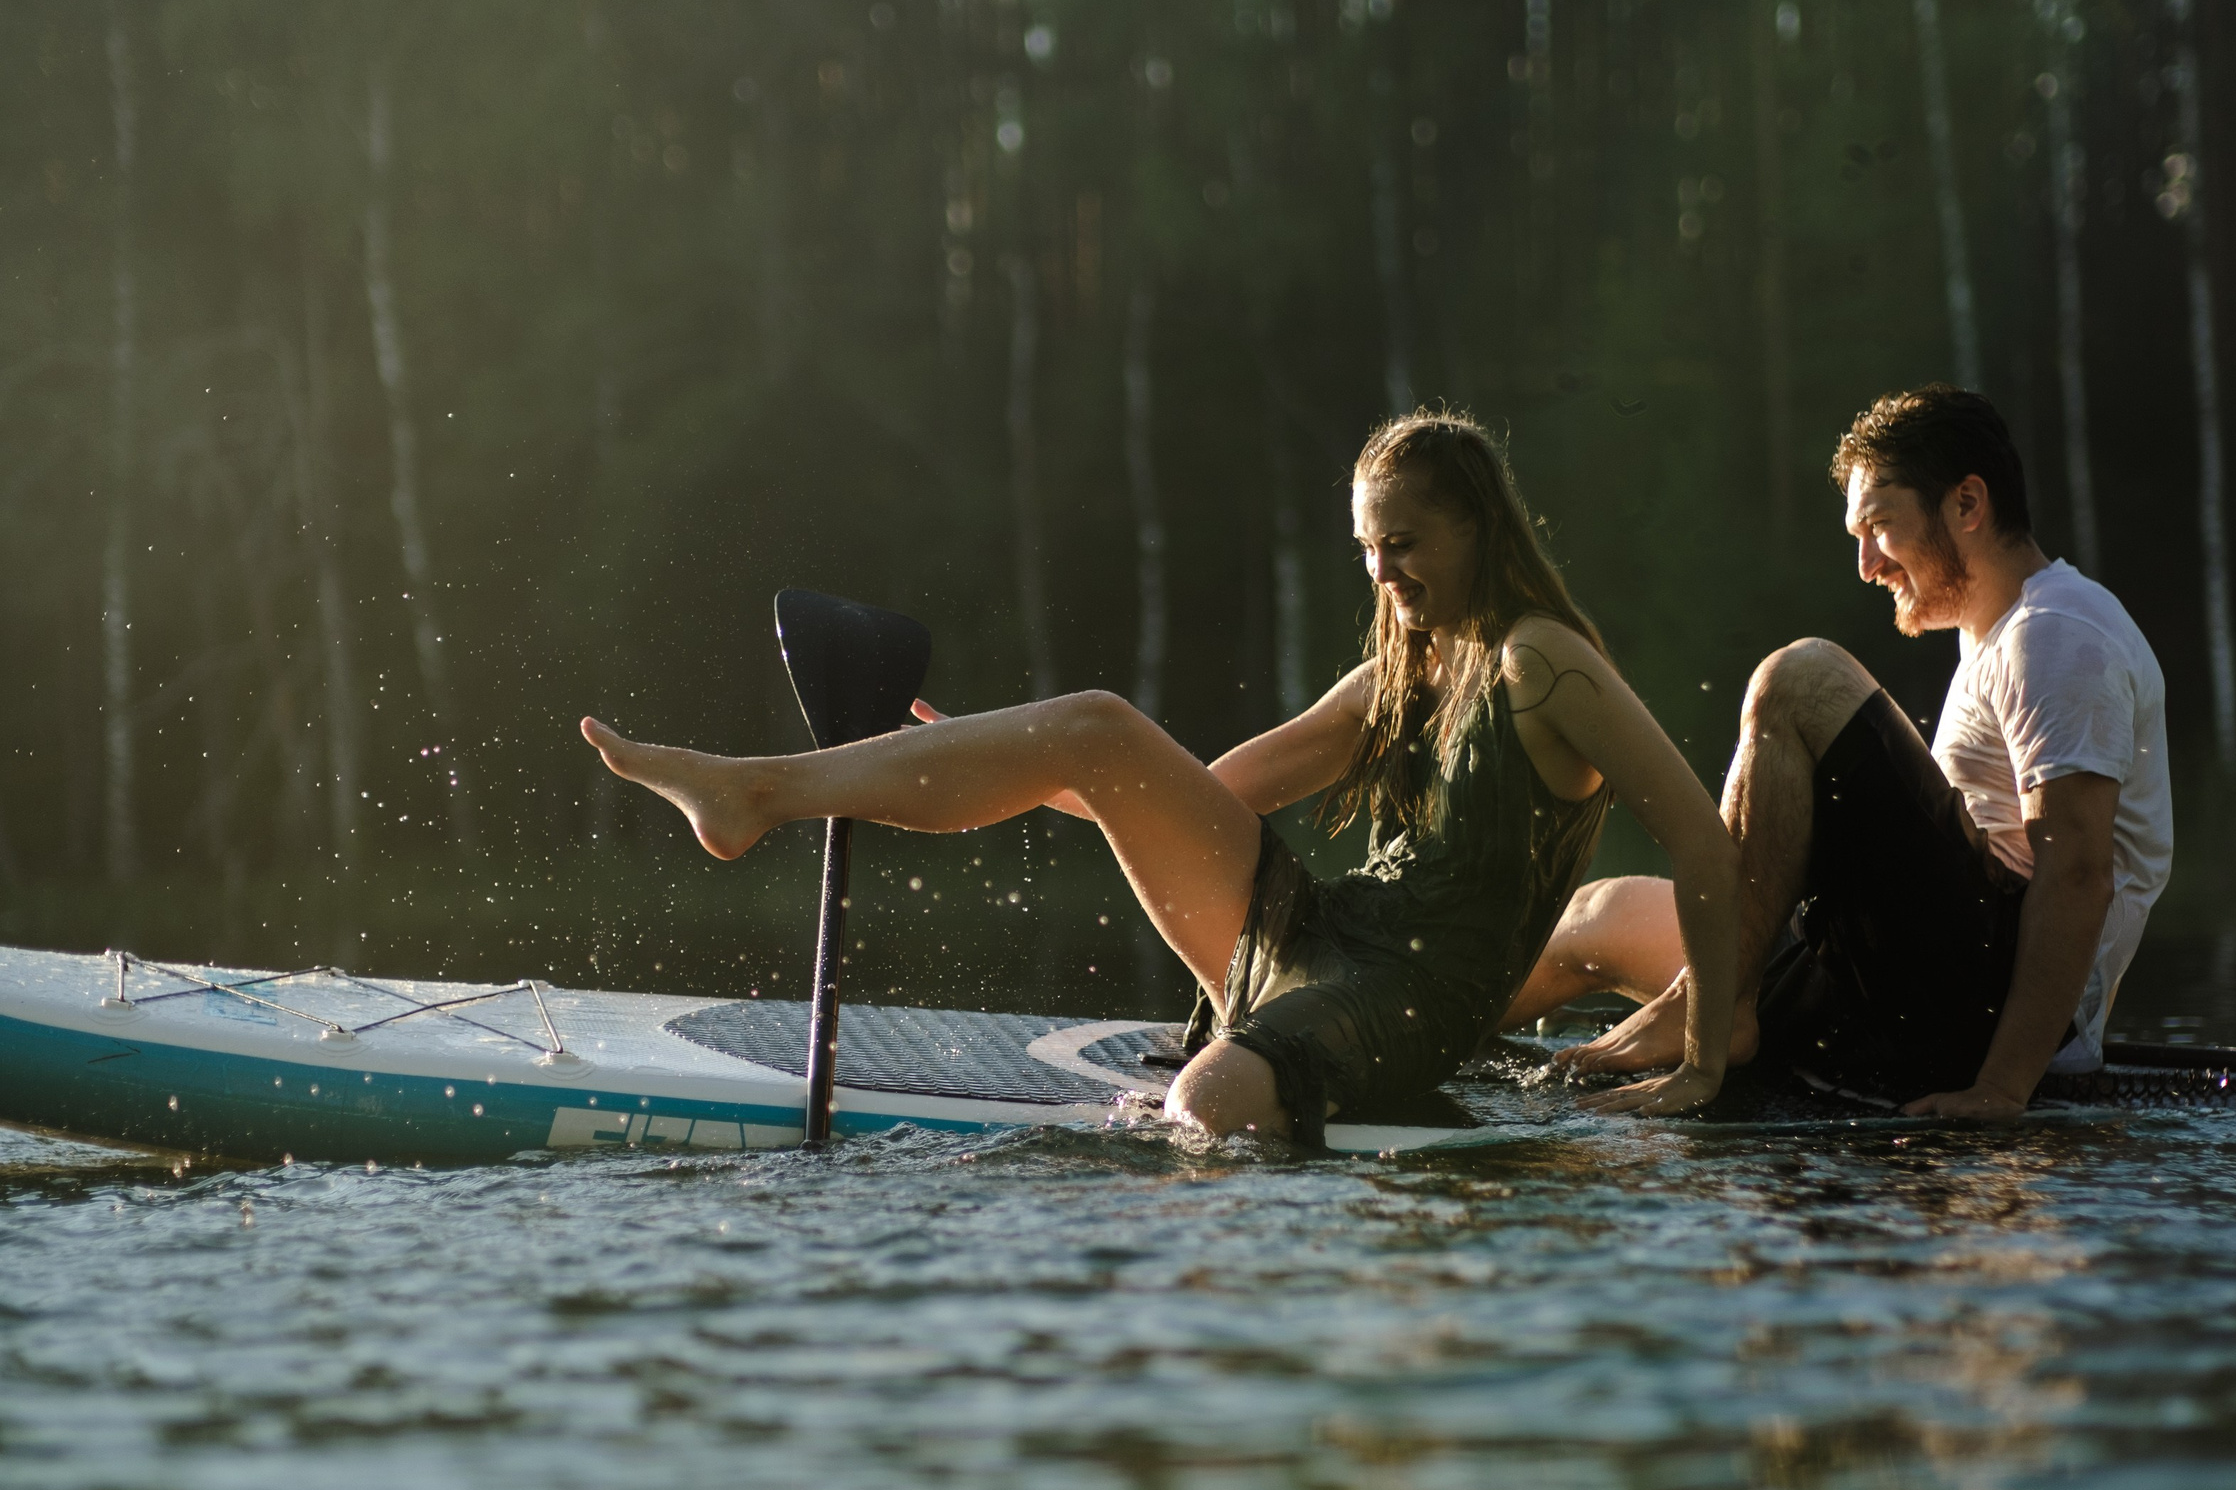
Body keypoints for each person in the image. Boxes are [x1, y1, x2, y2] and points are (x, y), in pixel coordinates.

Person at [581, 409, 1739, 1145]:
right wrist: (1012, 758)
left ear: (1479, 528)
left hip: (1409, 1002)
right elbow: (1211, 791)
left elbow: (1703, 844)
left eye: (1407, 545)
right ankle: (756, 789)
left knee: (1210, 1104)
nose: (1385, 574)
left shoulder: (1548, 664)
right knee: (1093, 725)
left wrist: (1700, 1057)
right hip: (1319, 935)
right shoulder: (1408, 664)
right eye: (1367, 551)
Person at [1514, 385, 2171, 1117]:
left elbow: (2078, 874)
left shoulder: (2060, 633)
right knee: (1599, 916)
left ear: (1967, 505)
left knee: (1799, 679)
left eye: (1880, 527)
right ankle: (1427, 1036)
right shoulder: (1997, 634)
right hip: (1908, 970)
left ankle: (1715, 1005)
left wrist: (2002, 1088)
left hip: (1976, 1017)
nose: (1865, 564)